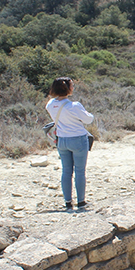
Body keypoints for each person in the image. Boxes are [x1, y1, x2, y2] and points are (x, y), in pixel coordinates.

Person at [46, 77, 94, 210]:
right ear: (67, 89)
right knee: (80, 171)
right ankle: (81, 202)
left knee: (66, 171)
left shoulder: (50, 105)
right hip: (78, 139)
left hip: (61, 140)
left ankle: (68, 202)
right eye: (72, 85)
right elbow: (88, 119)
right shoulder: (74, 106)